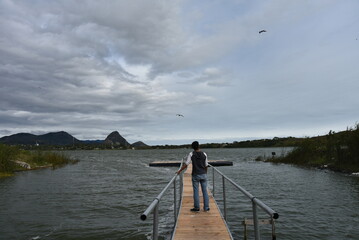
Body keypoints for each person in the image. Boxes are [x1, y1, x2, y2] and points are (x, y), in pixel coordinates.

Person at [177, 141, 210, 212]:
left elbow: (186, 164)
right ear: (199, 146)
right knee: (205, 191)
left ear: (192, 147)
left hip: (195, 175)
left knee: (196, 191)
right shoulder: (204, 154)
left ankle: (197, 207)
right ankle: (206, 208)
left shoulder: (191, 154)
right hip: (203, 174)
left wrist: (180, 170)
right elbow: (206, 165)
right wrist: (205, 173)